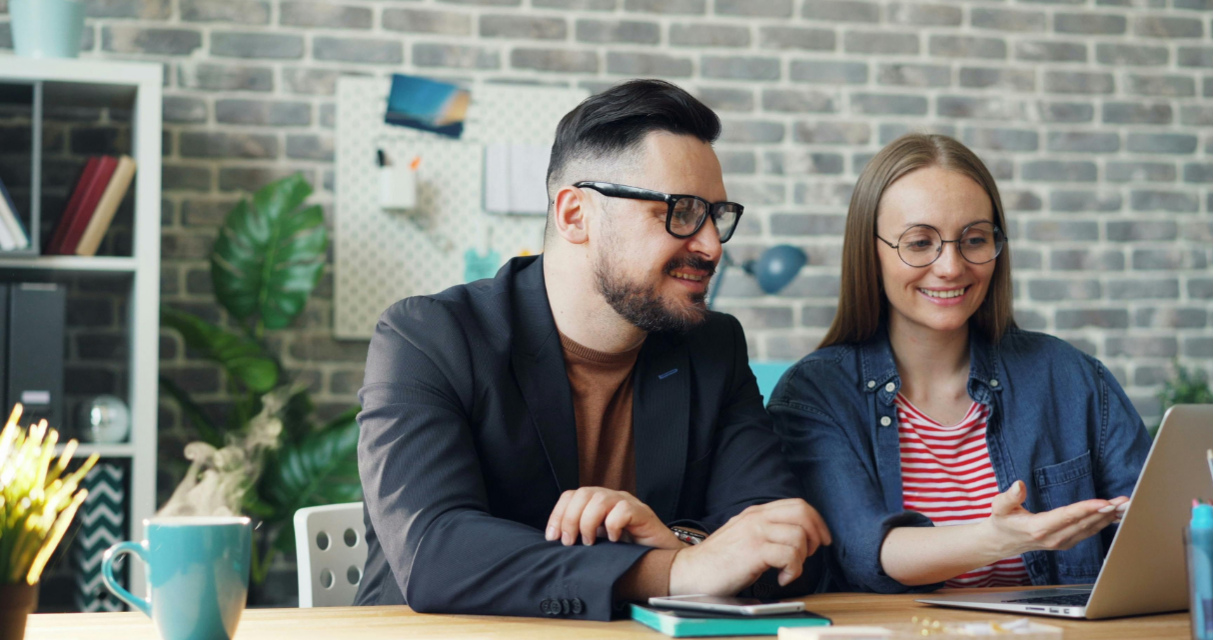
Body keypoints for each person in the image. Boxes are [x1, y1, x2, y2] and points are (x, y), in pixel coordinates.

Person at [354, 79, 830, 620]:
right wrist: (675, 570)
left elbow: (783, 541)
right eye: (680, 211)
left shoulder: (711, 348)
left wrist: (674, 541)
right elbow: (437, 552)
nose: (711, 244)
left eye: (715, 215)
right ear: (575, 214)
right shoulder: (429, 338)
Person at [767, 133, 1151, 594]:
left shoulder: (1072, 377)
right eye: (919, 242)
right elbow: (866, 549)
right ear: (871, 252)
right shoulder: (815, 394)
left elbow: (1159, 529)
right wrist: (996, 540)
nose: (951, 267)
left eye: (974, 239)